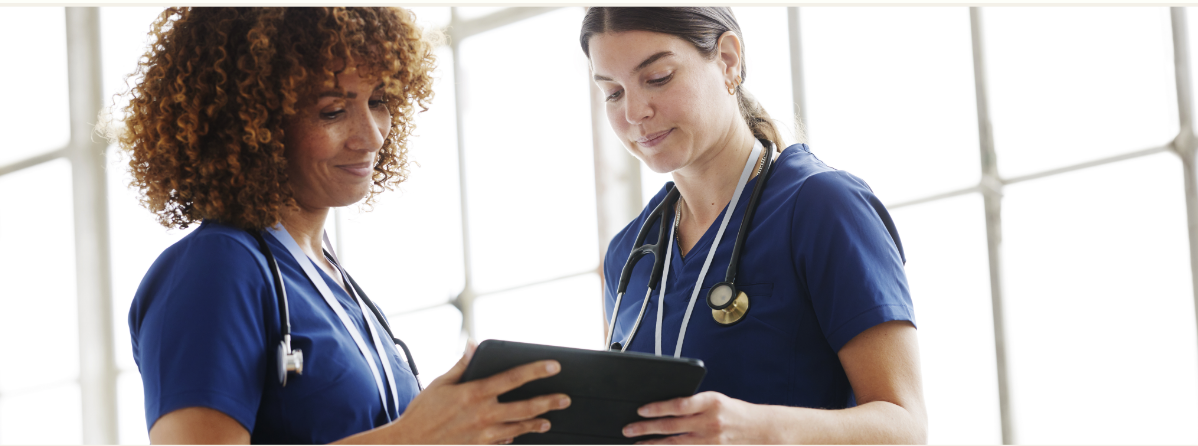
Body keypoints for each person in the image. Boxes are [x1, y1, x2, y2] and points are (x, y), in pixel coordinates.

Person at [115, 7, 569, 444]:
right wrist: (414, 438)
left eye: (379, 101)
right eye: (332, 111)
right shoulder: (216, 268)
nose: (371, 136)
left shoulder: (332, 282)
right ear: (252, 123)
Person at [581, 7, 927, 444]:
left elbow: (906, 428)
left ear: (728, 59)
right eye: (612, 93)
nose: (634, 111)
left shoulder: (822, 206)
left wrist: (757, 430)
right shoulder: (628, 254)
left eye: (658, 77)